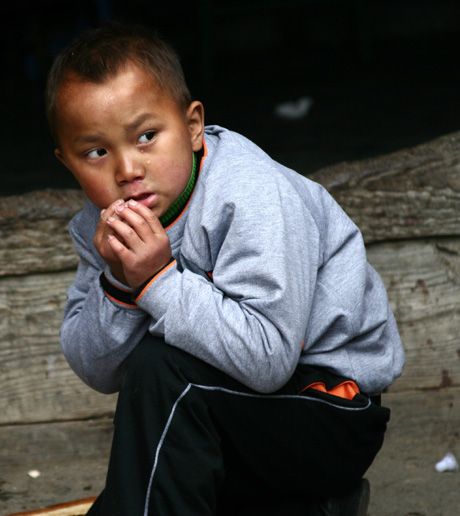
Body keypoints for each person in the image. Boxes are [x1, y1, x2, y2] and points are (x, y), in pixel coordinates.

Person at [45, 22, 405, 516]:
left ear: (193, 126)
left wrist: (156, 281)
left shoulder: (248, 195)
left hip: (330, 412)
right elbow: (99, 371)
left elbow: (269, 359)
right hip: (241, 421)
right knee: (160, 398)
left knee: (161, 370)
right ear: (68, 163)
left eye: (147, 136)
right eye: (96, 152)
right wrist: (117, 284)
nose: (127, 169)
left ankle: (311, 492)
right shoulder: (103, 228)